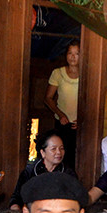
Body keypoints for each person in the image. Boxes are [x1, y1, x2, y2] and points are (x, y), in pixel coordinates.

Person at [9, 130, 78, 210]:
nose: (59, 152)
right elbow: (16, 199)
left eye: (61, 148)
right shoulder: (30, 171)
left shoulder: (68, 173)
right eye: (53, 149)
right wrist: (16, 211)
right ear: (43, 153)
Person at [44, 39, 80, 170]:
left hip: (80, 125)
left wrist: (82, 118)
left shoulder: (88, 75)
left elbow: (91, 101)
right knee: (60, 157)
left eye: (77, 53)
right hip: (62, 123)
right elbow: (48, 98)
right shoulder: (58, 73)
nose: (73, 56)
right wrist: (60, 114)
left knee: (77, 158)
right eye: (70, 53)